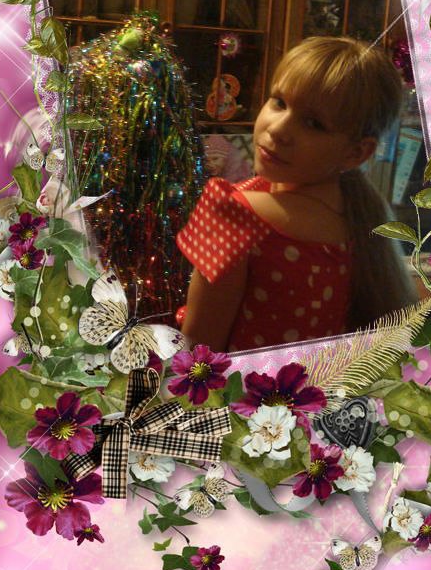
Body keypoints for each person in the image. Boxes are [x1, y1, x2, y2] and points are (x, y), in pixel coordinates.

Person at [176, 36, 418, 352]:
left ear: (356, 153)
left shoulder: (236, 214)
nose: (277, 129)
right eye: (279, 102)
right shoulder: (358, 220)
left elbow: (198, 353)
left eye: (313, 123)